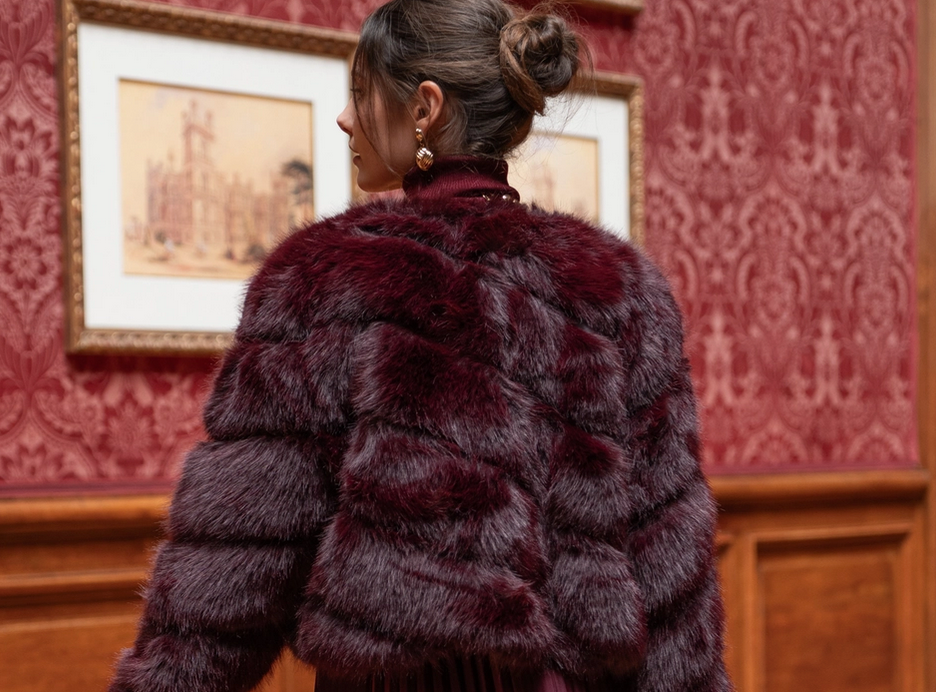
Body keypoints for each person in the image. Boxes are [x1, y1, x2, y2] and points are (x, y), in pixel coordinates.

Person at [109, 1, 732, 691]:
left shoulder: (326, 275)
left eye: (360, 93)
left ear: (425, 108)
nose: (345, 118)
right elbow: (671, 563)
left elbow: (236, 566)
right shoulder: (621, 285)